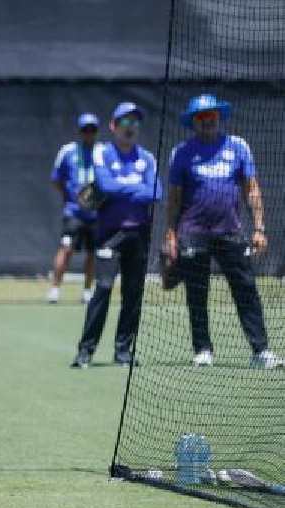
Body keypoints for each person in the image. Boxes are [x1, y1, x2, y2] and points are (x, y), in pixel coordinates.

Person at [165, 94, 282, 368]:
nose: (207, 121)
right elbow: (174, 198)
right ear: (193, 121)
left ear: (220, 118)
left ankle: (260, 351)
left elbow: (251, 189)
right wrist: (170, 232)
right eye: (201, 117)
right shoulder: (181, 153)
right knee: (196, 291)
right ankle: (203, 349)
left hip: (230, 231)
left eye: (212, 116)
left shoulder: (238, 147)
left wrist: (259, 228)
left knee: (246, 288)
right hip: (193, 232)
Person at [71, 102, 160, 368]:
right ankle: (85, 352)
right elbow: (105, 185)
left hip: (139, 235)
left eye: (134, 123)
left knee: (133, 293)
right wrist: (135, 187)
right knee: (104, 289)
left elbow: (156, 192)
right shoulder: (102, 154)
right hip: (110, 235)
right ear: (113, 126)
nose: (130, 128)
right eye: (124, 122)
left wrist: (121, 189)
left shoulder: (147, 158)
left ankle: (123, 351)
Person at [47, 113, 99, 304]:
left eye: (92, 129)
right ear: (80, 131)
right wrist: (70, 198)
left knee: (93, 253)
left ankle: (87, 290)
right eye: (85, 129)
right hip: (73, 213)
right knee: (66, 248)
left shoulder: (103, 152)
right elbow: (56, 180)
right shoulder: (68, 151)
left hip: (96, 214)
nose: (89, 133)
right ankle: (54, 289)